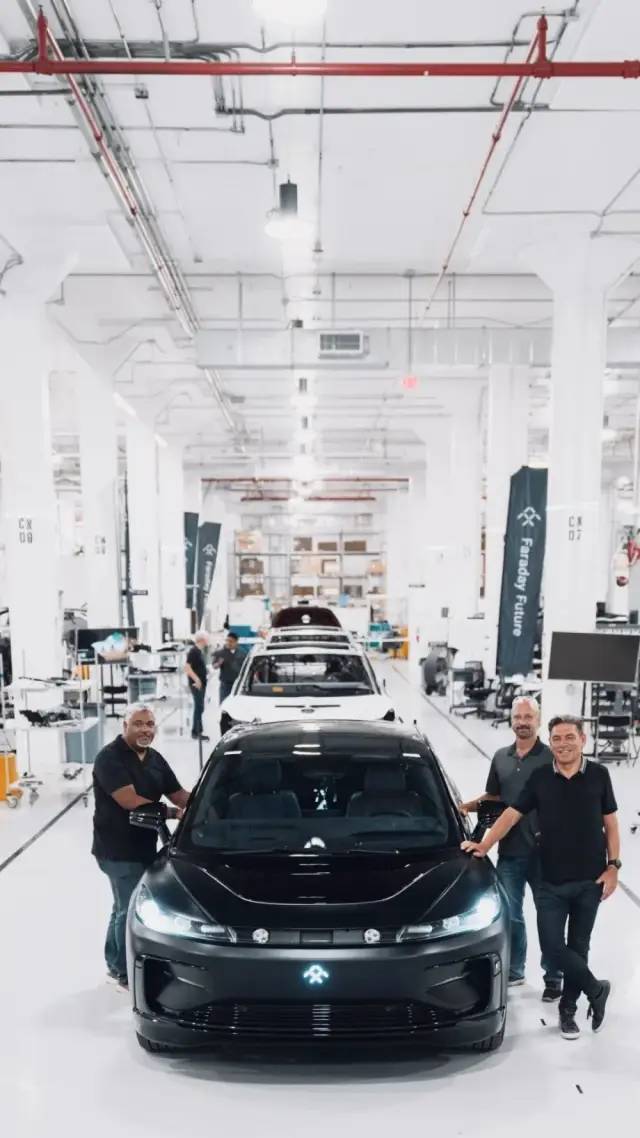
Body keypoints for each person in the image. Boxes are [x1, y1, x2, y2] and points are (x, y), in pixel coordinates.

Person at [462, 713, 619, 1041]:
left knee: (579, 946)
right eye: (557, 738)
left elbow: (611, 824)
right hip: (550, 880)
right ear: (551, 742)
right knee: (552, 946)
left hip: (590, 881)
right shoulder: (540, 777)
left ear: (583, 740)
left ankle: (568, 1010)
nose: (563, 744)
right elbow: (511, 814)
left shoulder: (599, 775)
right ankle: (596, 989)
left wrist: (613, 867)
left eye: (570, 737)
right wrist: (485, 845)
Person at [459, 696, 562, 999]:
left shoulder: (551, 757)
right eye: (518, 717)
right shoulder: (501, 757)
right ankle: (515, 971)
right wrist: (466, 806)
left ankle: (553, 977)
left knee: (550, 917)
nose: (522, 722)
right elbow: (494, 798)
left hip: (546, 854)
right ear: (511, 720)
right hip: (511, 852)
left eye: (528, 717)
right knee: (511, 915)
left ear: (538, 721)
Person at [92, 704, 190, 990]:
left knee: (122, 906)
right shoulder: (109, 758)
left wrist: (206, 802)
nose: (145, 729)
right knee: (129, 908)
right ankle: (123, 972)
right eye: (138, 724)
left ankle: (114, 964)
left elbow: (178, 794)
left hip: (144, 845)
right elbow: (129, 800)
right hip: (117, 848)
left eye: (149, 724)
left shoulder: (155, 759)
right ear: (125, 726)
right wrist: (173, 814)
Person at [184, 632, 209, 740]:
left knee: (200, 707)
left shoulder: (198, 651)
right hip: (196, 684)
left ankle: (198, 730)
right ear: (202, 639)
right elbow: (187, 668)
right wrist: (197, 679)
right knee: (199, 707)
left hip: (201, 683)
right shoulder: (194, 651)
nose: (208, 640)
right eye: (207, 638)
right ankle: (196, 732)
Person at [213, 631, 243, 703]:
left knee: (236, 704)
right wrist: (219, 663)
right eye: (227, 640)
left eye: (231, 641)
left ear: (236, 642)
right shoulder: (220, 653)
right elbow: (214, 666)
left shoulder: (242, 653)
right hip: (225, 684)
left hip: (237, 685)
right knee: (223, 703)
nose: (228, 643)